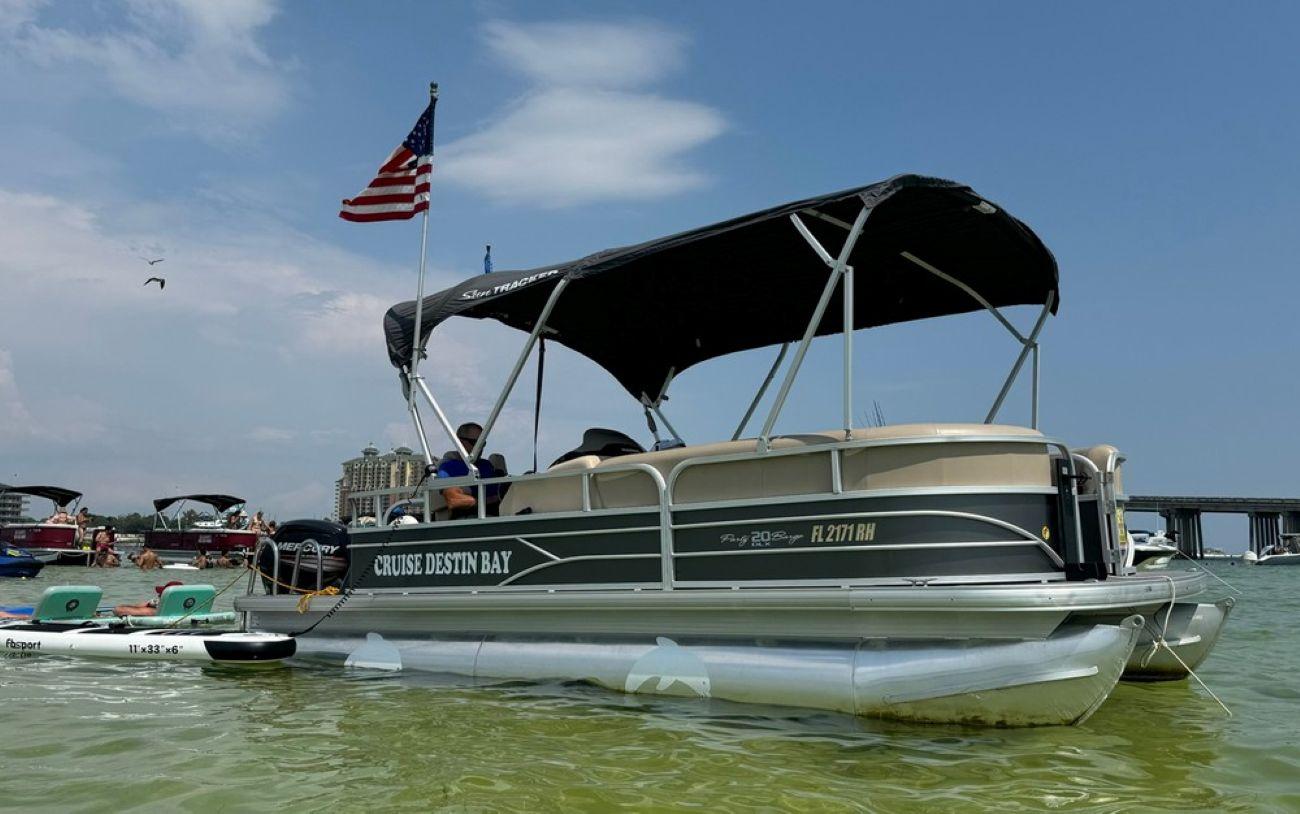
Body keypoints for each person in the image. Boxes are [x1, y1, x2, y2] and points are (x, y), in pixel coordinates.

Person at [436, 422, 500, 519]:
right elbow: (454, 500)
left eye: (483, 443)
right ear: (460, 443)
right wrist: (492, 500)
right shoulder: (448, 468)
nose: (480, 447)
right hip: (471, 518)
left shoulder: (487, 465)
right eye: (475, 443)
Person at [113, 581, 183, 617]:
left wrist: (150, 604)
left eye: (160, 594)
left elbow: (118, 610)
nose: (158, 595)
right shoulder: (181, 611)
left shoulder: (155, 611)